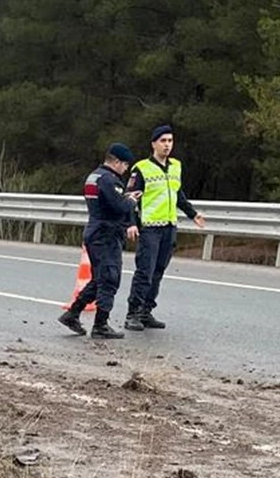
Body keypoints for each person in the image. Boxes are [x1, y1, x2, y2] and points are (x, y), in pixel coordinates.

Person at [123, 125, 207, 331]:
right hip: (150, 227)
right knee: (145, 271)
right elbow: (129, 198)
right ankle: (132, 313)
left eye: (170, 141)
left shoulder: (176, 166)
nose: (167, 145)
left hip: (169, 226)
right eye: (163, 141)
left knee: (159, 271)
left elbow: (177, 194)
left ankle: (146, 311)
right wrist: (131, 223)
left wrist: (192, 213)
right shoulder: (141, 168)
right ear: (154, 144)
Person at [58, 143, 142, 339]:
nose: (126, 169)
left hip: (95, 231)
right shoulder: (109, 179)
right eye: (125, 165)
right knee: (110, 280)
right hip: (106, 234)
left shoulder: (93, 176)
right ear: (116, 161)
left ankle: (72, 314)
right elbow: (118, 206)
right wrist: (131, 200)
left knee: (99, 279)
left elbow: (107, 202)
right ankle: (101, 325)